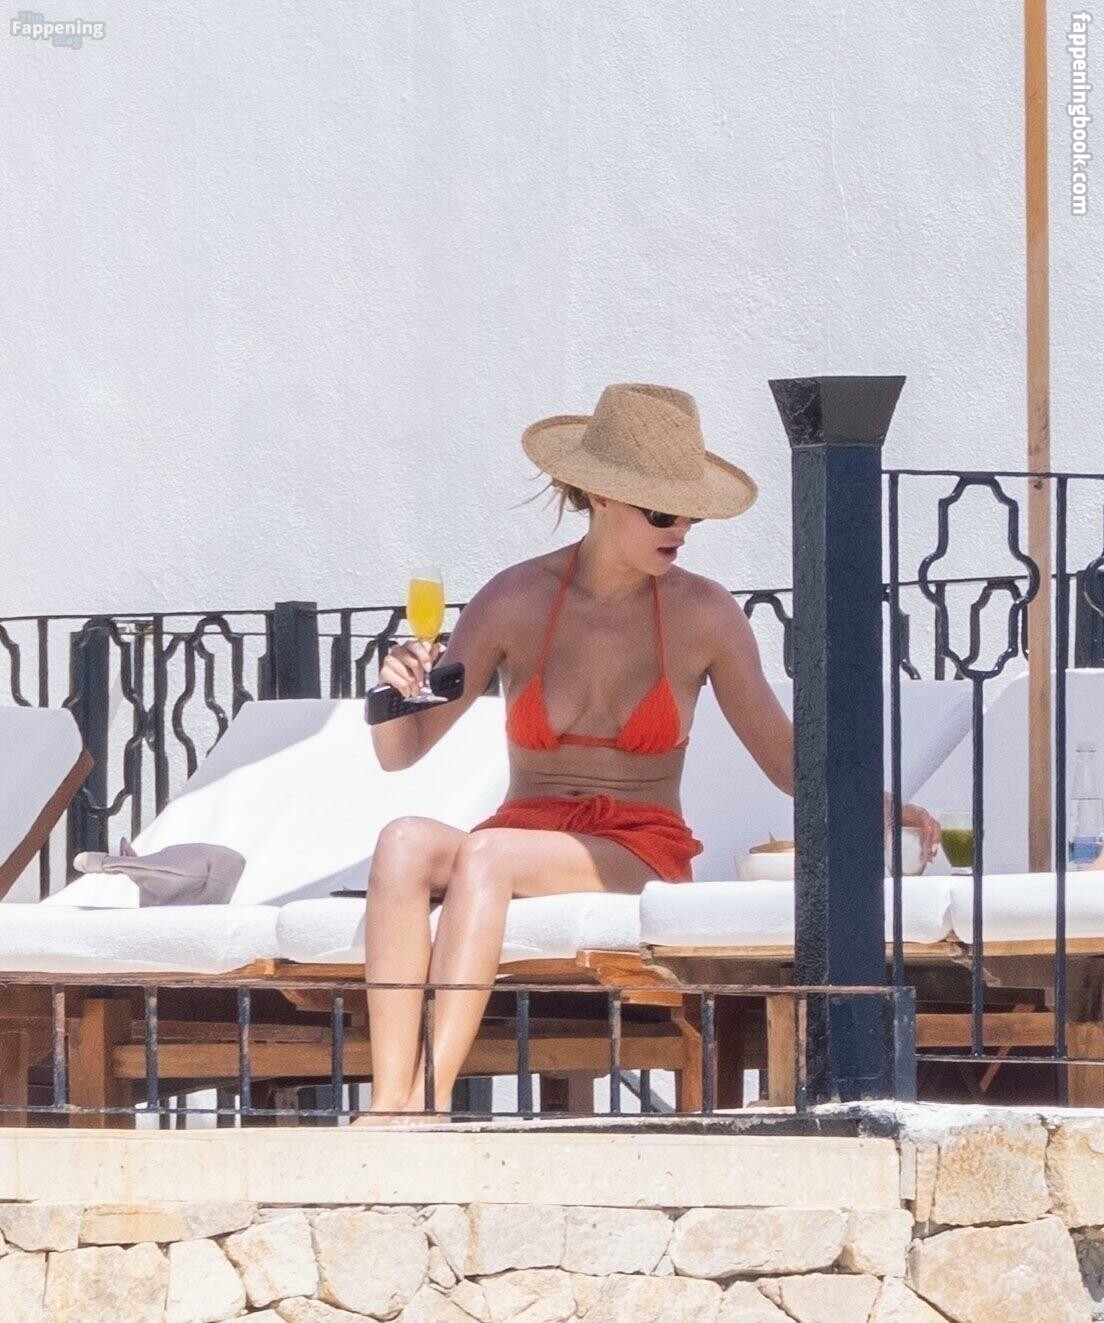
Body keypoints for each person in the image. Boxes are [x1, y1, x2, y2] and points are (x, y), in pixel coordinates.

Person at [353, 382, 941, 1125]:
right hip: (522, 832)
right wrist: (389, 695)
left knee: (488, 854)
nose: (682, 528)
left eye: (691, 513)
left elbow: (785, 760)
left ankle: (429, 1102)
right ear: (601, 496)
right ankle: (388, 1100)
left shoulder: (705, 614)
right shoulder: (514, 600)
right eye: (663, 512)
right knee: (403, 841)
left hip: (638, 845)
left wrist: (876, 806)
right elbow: (402, 752)